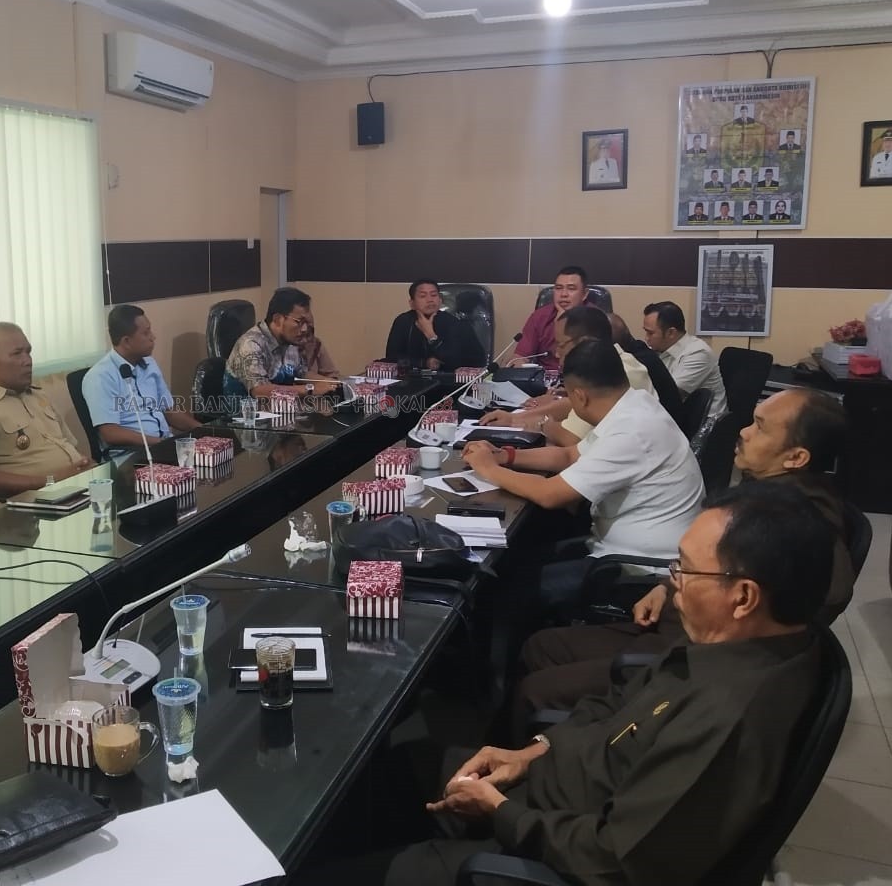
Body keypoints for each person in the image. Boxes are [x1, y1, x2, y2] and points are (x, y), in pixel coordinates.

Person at [338, 481, 833, 886]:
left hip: (547, 848)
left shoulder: (730, 718)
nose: (672, 580)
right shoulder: (723, 646)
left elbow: (618, 860)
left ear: (743, 597)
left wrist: (501, 812)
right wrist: (527, 754)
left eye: (684, 569)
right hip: (544, 785)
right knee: (387, 771)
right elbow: (619, 702)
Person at [511, 389, 852, 736]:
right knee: (541, 646)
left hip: (686, 656)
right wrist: (667, 585)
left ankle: (512, 772)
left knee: (534, 691)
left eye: (760, 428)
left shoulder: (800, 517)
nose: (744, 431)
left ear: (796, 457)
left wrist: (721, 639)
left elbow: (830, 592)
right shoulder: (767, 492)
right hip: (670, 622)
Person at [464, 341, 705, 612]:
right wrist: (506, 456)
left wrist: (489, 470)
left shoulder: (632, 431)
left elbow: (549, 494)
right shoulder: (634, 406)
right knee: (517, 558)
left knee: (504, 586)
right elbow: (569, 455)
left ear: (579, 396)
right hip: (617, 549)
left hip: (639, 570)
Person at [0, 323, 94, 500]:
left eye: (28, 352)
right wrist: (51, 481)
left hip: (76, 489)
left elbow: (71, 446)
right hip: (32, 506)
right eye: (17, 354)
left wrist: (89, 468)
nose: (28, 360)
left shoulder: (37, 395)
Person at [480, 307, 654, 446]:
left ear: (584, 342)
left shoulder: (621, 371)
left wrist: (541, 424)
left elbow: (570, 437)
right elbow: (571, 405)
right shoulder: (612, 362)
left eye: (561, 345)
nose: (557, 353)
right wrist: (514, 418)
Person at [83, 305, 201, 455]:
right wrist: (160, 443)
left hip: (162, 446)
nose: (153, 337)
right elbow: (110, 432)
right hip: (132, 456)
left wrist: (205, 430)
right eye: (146, 333)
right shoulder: (100, 377)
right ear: (126, 341)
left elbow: (169, 411)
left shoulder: (149, 363)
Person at [226, 287, 337, 399]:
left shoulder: (290, 342)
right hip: (246, 414)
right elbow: (259, 390)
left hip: (279, 412)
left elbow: (301, 373)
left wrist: (333, 383)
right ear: (277, 319)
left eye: (306, 323)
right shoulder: (251, 344)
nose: (304, 329)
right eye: (299, 322)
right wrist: (310, 389)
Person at [641, 301, 727, 418]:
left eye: (650, 333)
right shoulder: (662, 350)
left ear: (671, 333)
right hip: (681, 416)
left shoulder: (698, 353)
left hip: (703, 426)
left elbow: (669, 396)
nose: (646, 338)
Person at [384, 280, 483, 372]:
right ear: (412, 303)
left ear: (440, 300)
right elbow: (391, 359)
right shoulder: (403, 321)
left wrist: (431, 336)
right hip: (411, 382)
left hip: (447, 384)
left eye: (434, 295)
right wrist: (424, 363)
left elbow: (459, 362)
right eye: (423, 296)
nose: (430, 300)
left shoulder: (455, 323)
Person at [608, 313, 683, 423]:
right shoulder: (640, 351)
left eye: (650, 333)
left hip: (664, 428)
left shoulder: (632, 365)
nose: (646, 338)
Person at [512, 267, 589, 371]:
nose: (563, 294)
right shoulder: (540, 317)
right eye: (558, 288)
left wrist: (563, 324)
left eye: (571, 288)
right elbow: (519, 357)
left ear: (584, 294)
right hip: (543, 381)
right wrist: (518, 365)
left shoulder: (596, 319)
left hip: (581, 380)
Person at [299, 310, 341, 379]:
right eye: (301, 334)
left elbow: (333, 375)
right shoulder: (283, 348)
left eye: (308, 334)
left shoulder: (316, 344)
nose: (304, 340)